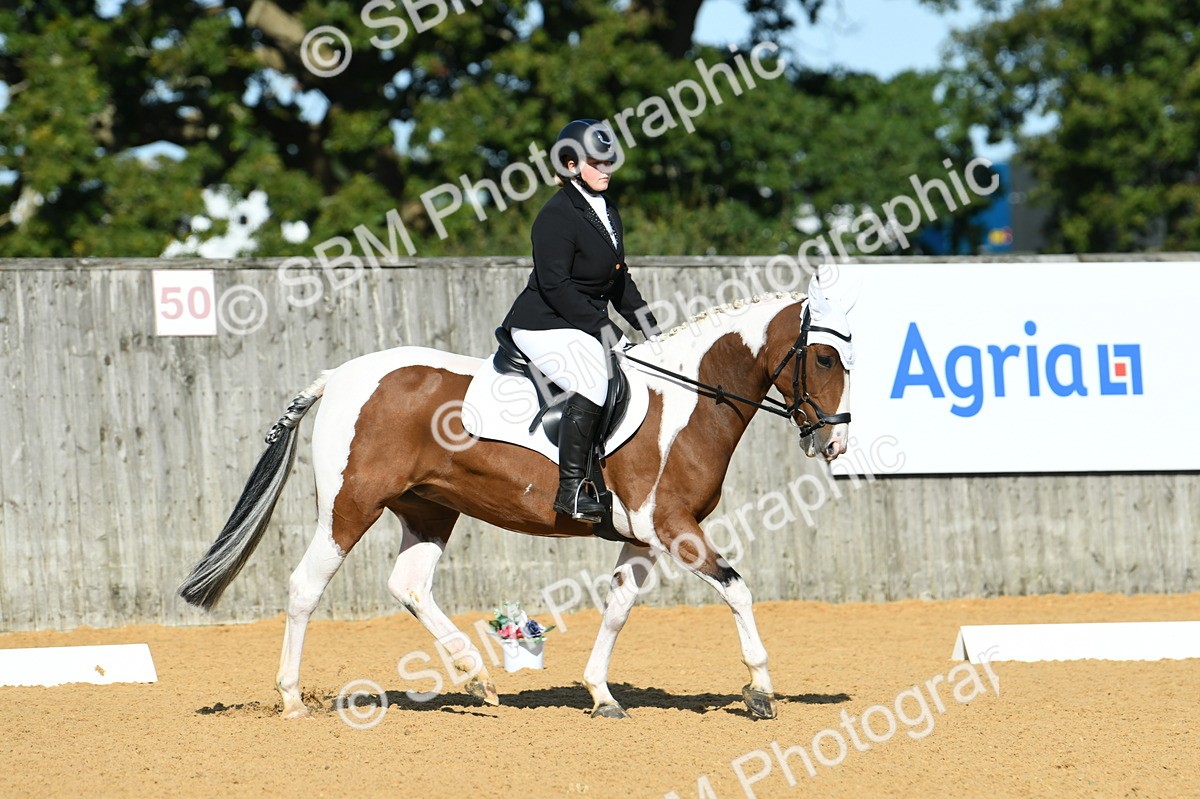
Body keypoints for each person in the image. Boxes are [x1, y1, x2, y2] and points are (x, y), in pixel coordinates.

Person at [501, 118, 661, 523]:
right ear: (571, 163)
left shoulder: (607, 210)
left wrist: (652, 329)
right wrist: (609, 332)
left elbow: (620, 280)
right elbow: (556, 287)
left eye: (610, 161)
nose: (607, 169)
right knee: (591, 377)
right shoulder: (556, 216)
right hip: (542, 323)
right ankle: (571, 489)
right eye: (598, 161)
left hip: (580, 322)